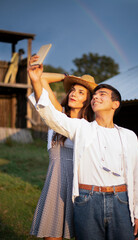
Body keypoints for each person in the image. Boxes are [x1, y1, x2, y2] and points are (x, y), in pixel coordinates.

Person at [29, 75, 138, 240]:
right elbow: (52, 115)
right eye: (95, 95)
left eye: (102, 94)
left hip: (120, 198)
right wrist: (38, 79)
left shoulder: (128, 135)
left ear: (115, 104)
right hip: (86, 197)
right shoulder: (81, 128)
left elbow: (137, 175)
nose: (96, 96)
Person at [28, 55, 97, 240]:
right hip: (56, 180)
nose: (74, 94)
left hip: (78, 183)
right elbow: (40, 79)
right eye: (72, 90)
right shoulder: (58, 114)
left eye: (81, 92)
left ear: (88, 100)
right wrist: (67, 76)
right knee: (51, 234)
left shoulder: (88, 126)